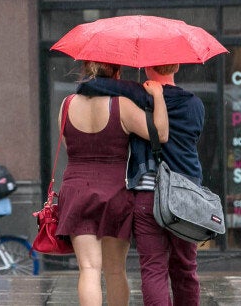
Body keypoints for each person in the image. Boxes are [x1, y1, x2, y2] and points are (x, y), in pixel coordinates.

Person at [76, 64, 205, 305]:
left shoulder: (137, 96)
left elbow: (92, 85)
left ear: (146, 66)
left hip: (148, 194)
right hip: (187, 196)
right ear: (177, 65)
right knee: (186, 269)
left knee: (153, 268)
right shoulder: (194, 104)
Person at [55, 61, 168, 306]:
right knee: (115, 270)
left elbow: (69, 146)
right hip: (115, 192)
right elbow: (160, 134)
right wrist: (158, 97)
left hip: (76, 191)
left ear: (85, 70)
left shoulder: (66, 105)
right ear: (117, 73)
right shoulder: (122, 105)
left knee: (88, 269)